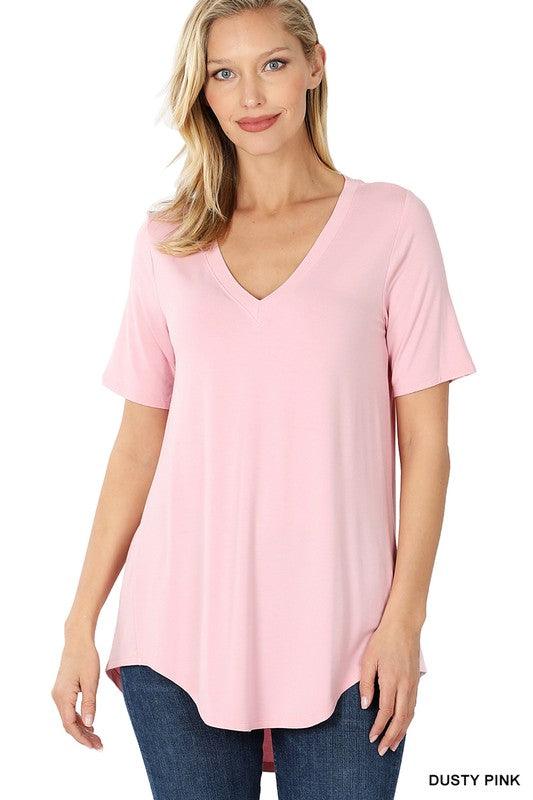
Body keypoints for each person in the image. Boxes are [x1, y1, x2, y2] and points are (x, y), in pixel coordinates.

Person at [51, 1, 477, 798]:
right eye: (224, 73)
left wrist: (404, 621)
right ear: (202, 91)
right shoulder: (168, 241)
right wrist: (81, 621)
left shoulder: (392, 224)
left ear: (315, 65)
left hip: (349, 640)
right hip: (179, 633)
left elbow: (426, 447)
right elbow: (138, 446)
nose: (250, 94)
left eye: (273, 64)